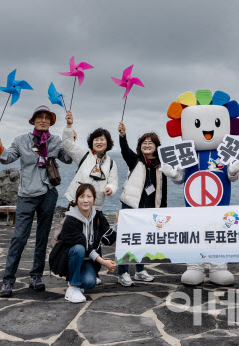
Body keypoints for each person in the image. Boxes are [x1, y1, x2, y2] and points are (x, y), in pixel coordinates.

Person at [0, 105, 72, 298]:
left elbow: (67, 158)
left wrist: (70, 138)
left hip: (48, 194)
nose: (43, 120)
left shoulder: (55, 141)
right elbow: (6, 158)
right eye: (39, 117)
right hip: (26, 195)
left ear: (51, 122)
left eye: (47, 118)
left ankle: (36, 276)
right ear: (33, 121)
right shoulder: (21, 140)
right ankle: (8, 280)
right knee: (19, 238)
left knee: (42, 238)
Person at [115, 122, 167, 286]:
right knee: (128, 239)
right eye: (144, 142)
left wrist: (163, 211)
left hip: (151, 209)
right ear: (139, 147)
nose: (147, 145)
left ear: (157, 146)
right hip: (131, 206)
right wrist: (122, 136)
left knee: (144, 240)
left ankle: (139, 270)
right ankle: (122, 272)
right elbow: (124, 150)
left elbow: (163, 191)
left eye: (150, 142)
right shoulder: (135, 161)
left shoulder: (161, 167)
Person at [49, 183, 118, 303]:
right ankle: (72, 288)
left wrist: (117, 224)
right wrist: (103, 262)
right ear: (76, 199)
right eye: (81, 197)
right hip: (68, 258)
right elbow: (85, 246)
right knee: (79, 248)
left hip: (88, 260)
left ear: (94, 199)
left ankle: (79, 276)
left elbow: (107, 240)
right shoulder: (70, 219)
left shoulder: (97, 216)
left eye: (89, 196)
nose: (85, 200)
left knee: (89, 283)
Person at [62, 110, 118, 213]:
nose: (99, 142)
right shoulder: (84, 154)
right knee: (74, 228)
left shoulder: (111, 163)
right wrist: (69, 125)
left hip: (96, 205)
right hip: (77, 201)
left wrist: (110, 189)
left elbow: (113, 182)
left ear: (108, 143)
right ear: (91, 142)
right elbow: (67, 143)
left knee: (93, 229)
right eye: (96, 140)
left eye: (102, 139)